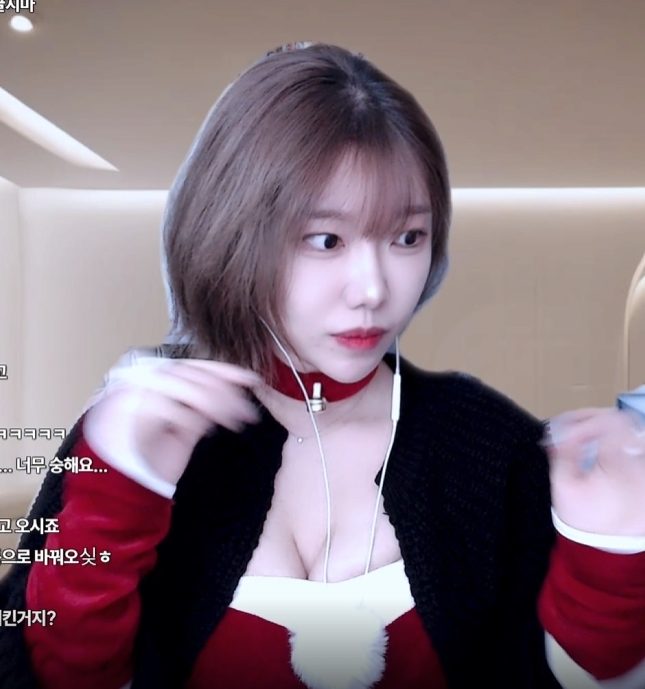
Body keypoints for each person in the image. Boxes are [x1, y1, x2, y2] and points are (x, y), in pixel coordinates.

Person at [1, 41, 645, 689]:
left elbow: (552, 675)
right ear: (232, 232)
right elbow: (49, 671)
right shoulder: (134, 426)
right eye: (326, 239)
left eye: (408, 237)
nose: (372, 288)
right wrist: (117, 496)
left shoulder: (488, 443)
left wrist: (607, 561)